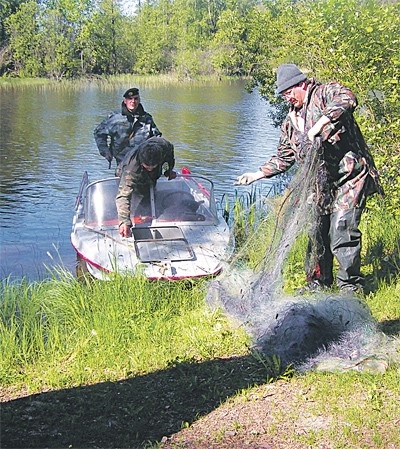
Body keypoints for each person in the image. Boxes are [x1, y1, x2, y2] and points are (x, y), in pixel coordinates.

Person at [236, 63, 383, 293]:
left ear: (301, 84)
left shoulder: (324, 94)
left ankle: (350, 287)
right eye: (283, 94)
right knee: (317, 231)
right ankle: (318, 282)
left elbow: (348, 98)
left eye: (289, 92)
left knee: (342, 229)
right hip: (321, 183)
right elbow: (284, 157)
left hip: (350, 177)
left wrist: (319, 125)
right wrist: (256, 175)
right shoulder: (290, 123)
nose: (287, 98)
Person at [116, 136, 176, 238]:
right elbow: (123, 196)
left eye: (153, 167)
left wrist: (168, 170)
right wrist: (124, 221)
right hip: (131, 174)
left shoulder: (164, 146)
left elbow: (169, 158)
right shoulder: (131, 169)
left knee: (149, 198)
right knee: (135, 199)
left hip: (152, 177)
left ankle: (149, 213)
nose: (150, 169)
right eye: (147, 167)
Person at [94, 87, 162, 172]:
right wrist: (105, 151)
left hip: (143, 164)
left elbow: (157, 139)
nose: (133, 101)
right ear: (125, 101)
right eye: (130, 99)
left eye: (136, 99)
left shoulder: (147, 118)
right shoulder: (114, 118)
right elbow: (99, 133)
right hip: (122, 163)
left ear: (139, 100)